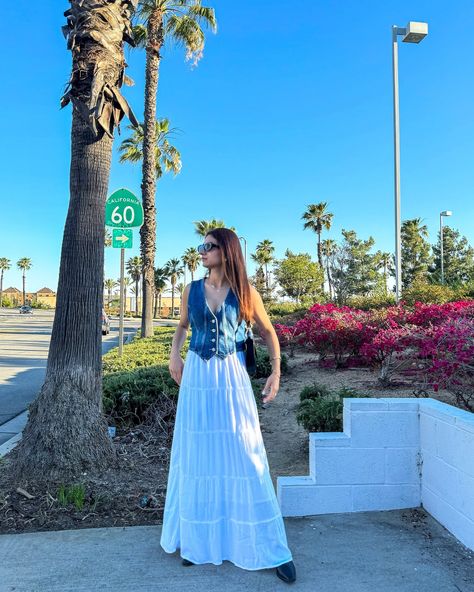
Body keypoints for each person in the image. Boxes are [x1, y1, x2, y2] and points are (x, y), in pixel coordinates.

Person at [159, 228, 296, 584]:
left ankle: (270, 546)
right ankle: (197, 542)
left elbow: (268, 333)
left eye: (209, 246)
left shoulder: (246, 292)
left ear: (227, 250)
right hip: (198, 380)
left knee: (245, 453)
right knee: (199, 453)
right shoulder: (191, 289)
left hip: (232, 376)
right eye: (200, 246)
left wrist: (276, 372)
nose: (202, 251)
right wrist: (174, 355)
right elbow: (182, 326)